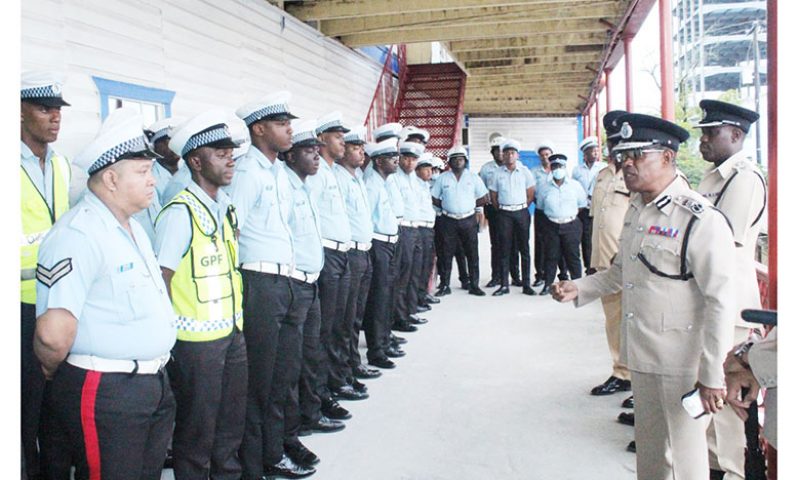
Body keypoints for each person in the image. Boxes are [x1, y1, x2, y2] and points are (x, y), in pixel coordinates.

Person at [552, 113, 737, 480]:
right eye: (624, 157)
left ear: (668, 158)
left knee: (685, 457)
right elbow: (622, 272)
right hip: (642, 353)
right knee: (651, 454)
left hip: (681, 362)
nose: (627, 165)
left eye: (639, 156)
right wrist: (581, 287)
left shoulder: (699, 219)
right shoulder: (638, 209)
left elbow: (720, 301)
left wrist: (712, 372)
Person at [34, 107, 176, 480]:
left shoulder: (130, 227)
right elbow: (51, 336)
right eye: (143, 172)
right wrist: (57, 372)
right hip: (109, 391)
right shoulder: (78, 234)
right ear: (111, 178)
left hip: (151, 384)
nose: (152, 180)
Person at [153, 110, 247, 479]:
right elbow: (161, 278)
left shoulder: (224, 208)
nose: (230, 159)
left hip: (231, 334)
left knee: (229, 428)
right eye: (219, 152)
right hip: (195, 343)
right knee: (197, 435)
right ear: (195, 161)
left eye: (231, 152)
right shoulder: (180, 213)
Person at [229, 92, 316, 479]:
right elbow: (232, 231)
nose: (290, 131)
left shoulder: (277, 172)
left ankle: (276, 448)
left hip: (285, 282)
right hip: (259, 282)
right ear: (259, 129)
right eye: (282, 124)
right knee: (259, 383)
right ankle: (254, 465)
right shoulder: (247, 173)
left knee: (282, 376)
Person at [693, 99, 766, 480]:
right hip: (710, 303)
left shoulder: (745, 179)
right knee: (709, 400)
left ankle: (734, 472)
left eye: (710, 133)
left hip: (733, 307)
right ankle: (713, 468)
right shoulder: (714, 178)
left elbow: (720, 241)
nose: (702, 141)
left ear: (736, 135)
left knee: (726, 398)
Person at [281, 121, 344, 469]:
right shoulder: (284, 186)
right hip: (292, 284)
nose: (316, 156)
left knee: (311, 351)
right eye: (309, 150)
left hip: (310, 277)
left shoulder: (303, 185)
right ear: (290, 156)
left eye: (317, 150)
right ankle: (296, 426)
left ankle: (311, 409)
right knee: (291, 364)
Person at [20, 71, 73, 479]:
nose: (54, 118)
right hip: (20, 305)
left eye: (57, 110)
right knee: (25, 407)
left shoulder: (61, 165)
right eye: (44, 109)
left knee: (58, 403)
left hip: (58, 300)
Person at [307, 112, 364, 407]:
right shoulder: (317, 175)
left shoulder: (330, 172)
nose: (343, 142)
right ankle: (323, 392)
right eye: (338, 137)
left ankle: (338, 379)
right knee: (325, 329)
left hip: (343, 254)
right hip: (327, 254)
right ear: (322, 140)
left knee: (341, 323)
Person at [585, 110, 633, 398]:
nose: (616, 149)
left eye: (620, 143)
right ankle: (621, 372)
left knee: (634, 322)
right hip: (605, 263)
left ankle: (636, 378)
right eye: (611, 144)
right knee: (613, 320)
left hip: (629, 263)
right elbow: (597, 222)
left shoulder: (637, 174)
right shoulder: (603, 175)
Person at [333, 126, 383, 382]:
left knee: (356, 314)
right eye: (355, 148)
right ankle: (345, 370)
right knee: (346, 317)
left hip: (364, 252)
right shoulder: (338, 178)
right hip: (349, 254)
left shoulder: (358, 178)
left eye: (362, 148)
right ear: (343, 153)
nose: (361, 153)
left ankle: (353, 363)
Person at [362, 138, 402, 370]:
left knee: (387, 295)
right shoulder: (372, 185)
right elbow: (366, 219)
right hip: (377, 244)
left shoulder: (383, 182)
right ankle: (376, 350)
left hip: (389, 242)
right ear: (378, 161)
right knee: (378, 298)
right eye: (391, 158)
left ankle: (385, 340)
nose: (396, 161)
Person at [431, 146, 489, 296]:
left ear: (465, 161)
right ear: (449, 162)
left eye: (461, 159)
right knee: (446, 254)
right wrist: (446, 206)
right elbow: (434, 198)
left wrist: (469, 205)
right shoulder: (443, 178)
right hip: (448, 220)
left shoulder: (473, 178)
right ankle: (445, 285)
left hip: (468, 220)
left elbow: (484, 197)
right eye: (455, 159)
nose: (458, 161)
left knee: (472, 253)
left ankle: (474, 285)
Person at [489, 138, 536, 296]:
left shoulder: (525, 172)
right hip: (504, 214)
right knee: (504, 249)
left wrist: (520, 207)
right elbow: (493, 196)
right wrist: (504, 209)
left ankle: (526, 284)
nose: (509, 156)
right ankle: (504, 285)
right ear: (503, 155)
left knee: (524, 249)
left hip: (521, 212)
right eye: (507, 153)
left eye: (512, 153)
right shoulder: (497, 173)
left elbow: (530, 194)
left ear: (517, 155)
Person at [391, 140, 429, 332]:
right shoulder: (394, 177)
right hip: (403, 229)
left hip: (416, 229)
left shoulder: (414, 178)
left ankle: (410, 310)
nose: (410, 163)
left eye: (414, 160)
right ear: (400, 158)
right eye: (406, 159)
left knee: (415, 273)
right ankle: (399, 316)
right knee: (403, 276)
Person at [537, 154, 587, 295]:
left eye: (560, 166)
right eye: (555, 166)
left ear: (565, 168)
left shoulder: (575, 186)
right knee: (551, 256)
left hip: (571, 224)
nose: (558, 169)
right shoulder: (544, 187)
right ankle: (548, 285)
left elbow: (582, 205)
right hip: (551, 225)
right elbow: (540, 207)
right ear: (551, 169)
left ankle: (578, 286)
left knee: (573, 256)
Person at [572, 136, 606, 274]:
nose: (595, 153)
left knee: (599, 238)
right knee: (585, 239)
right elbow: (574, 188)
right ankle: (589, 267)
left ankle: (599, 266)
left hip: (599, 208)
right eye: (592, 151)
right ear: (585, 154)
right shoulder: (577, 170)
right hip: (584, 209)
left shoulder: (603, 168)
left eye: (597, 151)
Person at [413, 153, 440, 309]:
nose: (430, 172)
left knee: (427, 265)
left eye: (430, 168)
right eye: (425, 169)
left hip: (429, 228)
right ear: (417, 170)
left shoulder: (424, 184)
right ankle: (416, 299)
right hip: (421, 228)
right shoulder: (415, 185)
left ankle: (423, 295)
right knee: (420, 266)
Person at [479, 136, 504, 288]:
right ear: (493, 152)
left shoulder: (515, 166)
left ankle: (514, 276)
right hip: (493, 210)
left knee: (512, 244)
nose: (500, 153)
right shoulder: (486, 169)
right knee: (496, 244)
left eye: (502, 150)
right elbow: (480, 190)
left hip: (509, 209)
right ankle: (496, 276)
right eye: (497, 151)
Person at [146, 116, 186, 203]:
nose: (174, 145)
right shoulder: (149, 178)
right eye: (168, 140)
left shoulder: (189, 172)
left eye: (176, 140)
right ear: (154, 147)